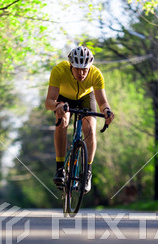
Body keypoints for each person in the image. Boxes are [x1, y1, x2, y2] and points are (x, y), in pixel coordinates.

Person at [45, 46, 115, 193]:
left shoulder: (96, 74)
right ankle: (60, 169)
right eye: (77, 69)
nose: (81, 73)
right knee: (62, 121)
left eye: (85, 69)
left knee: (90, 129)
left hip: (85, 97)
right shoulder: (59, 70)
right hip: (64, 100)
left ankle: (87, 172)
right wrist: (58, 105)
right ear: (70, 65)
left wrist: (107, 111)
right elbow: (49, 102)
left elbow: (102, 102)